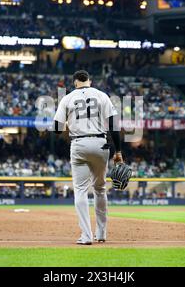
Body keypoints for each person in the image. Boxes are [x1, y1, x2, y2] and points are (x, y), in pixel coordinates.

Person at [53, 70, 123, 245]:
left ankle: (86, 236)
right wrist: (119, 151)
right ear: (89, 81)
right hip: (101, 143)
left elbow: (56, 128)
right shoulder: (101, 95)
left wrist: (71, 122)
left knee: (81, 190)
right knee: (100, 188)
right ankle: (101, 233)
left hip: (79, 144)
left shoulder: (67, 98)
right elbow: (114, 125)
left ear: (75, 82)